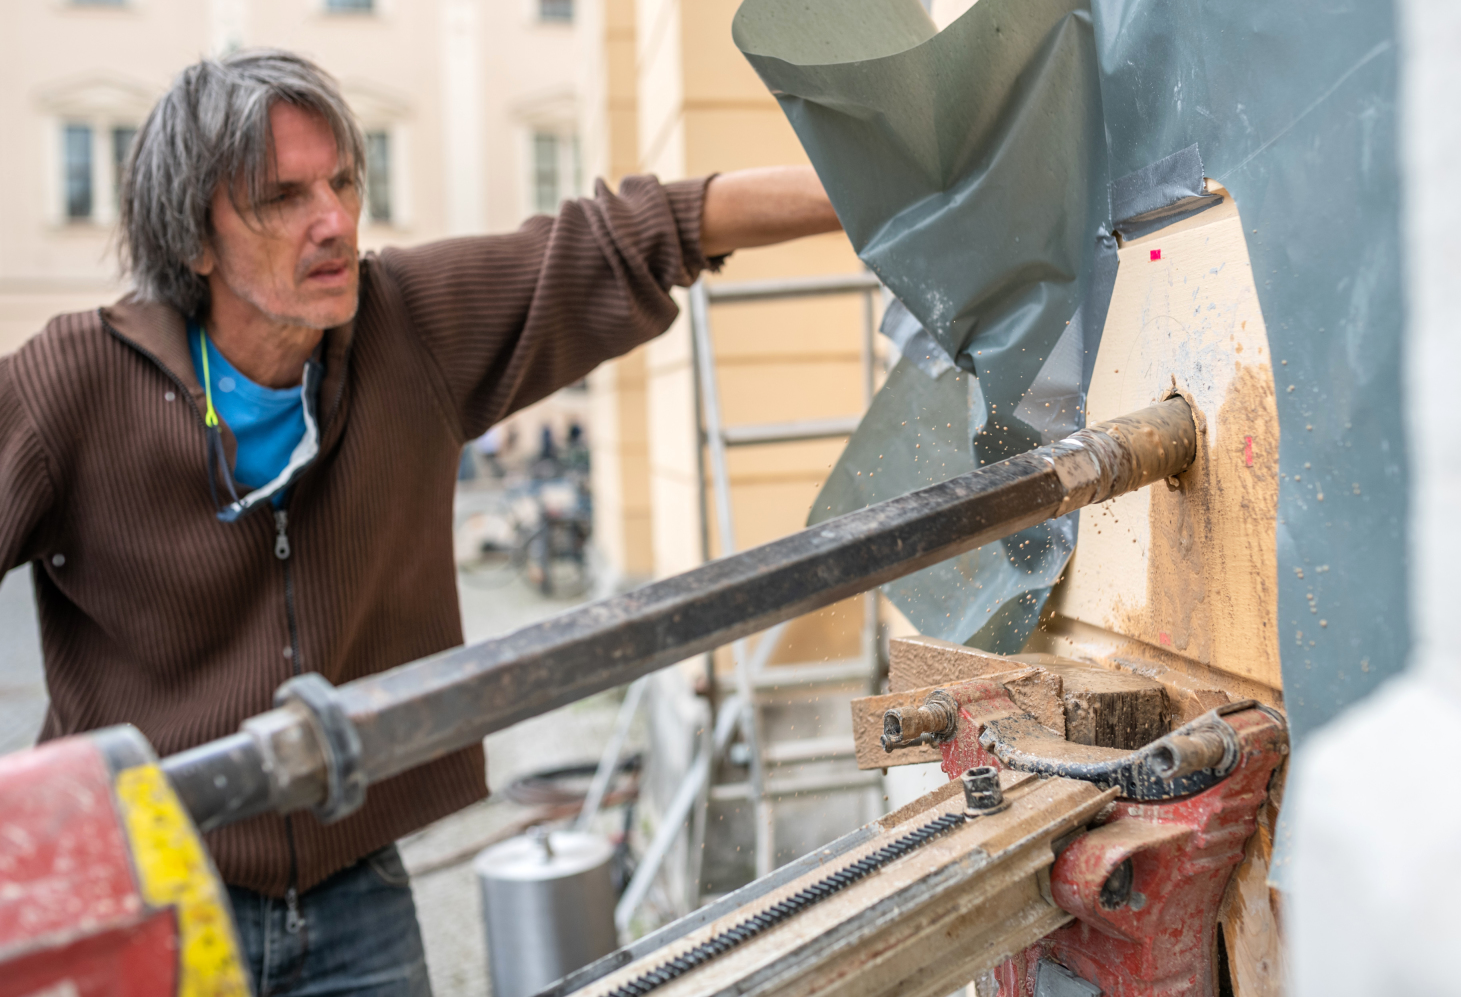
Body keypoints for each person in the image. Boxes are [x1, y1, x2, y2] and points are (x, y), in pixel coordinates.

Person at [0, 49, 841, 994]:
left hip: (352, 888)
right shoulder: (73, 382)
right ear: (195, 236)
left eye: (345, 181)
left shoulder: (406, 329)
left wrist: (890, 195)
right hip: (148, 889)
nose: (335, 221)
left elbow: (641, 232)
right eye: (282, 197)